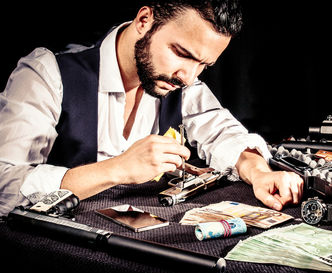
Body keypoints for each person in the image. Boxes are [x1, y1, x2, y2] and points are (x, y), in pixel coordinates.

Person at [0, 0, 303, 216]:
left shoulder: (182, 83)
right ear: (144, 20)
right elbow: (5, 184)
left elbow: (224, 134)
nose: (188, 76)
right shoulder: (46, 74)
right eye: (181, 53)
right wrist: (118, 168)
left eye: (203, 65)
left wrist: (260, 172)